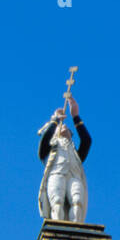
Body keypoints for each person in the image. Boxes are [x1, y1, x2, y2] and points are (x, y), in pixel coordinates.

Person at [37, 94, 91, 222]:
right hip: (57, 174)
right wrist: (55, 121)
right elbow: (43, 143)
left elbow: (86, 140)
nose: (64, 127)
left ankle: (76, 228)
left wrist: (75, 116)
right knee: (57, 201)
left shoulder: (75, 154)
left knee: (77, 201)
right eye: (60, 127)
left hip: (74, 175)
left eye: (67, 128)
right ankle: (57, 227)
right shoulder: (50, 152)